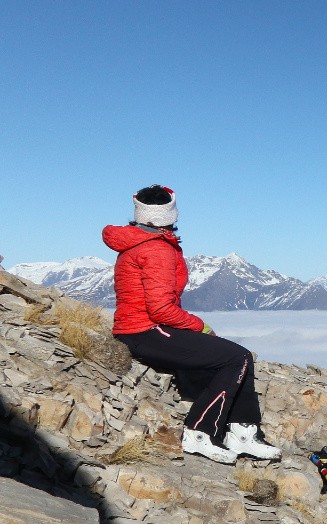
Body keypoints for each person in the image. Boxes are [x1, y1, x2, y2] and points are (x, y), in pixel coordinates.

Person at [103, 185, 281, 465]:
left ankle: (243, 434)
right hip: (146, 330)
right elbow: (160, 309)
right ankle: (199, 433)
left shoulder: (138, 242)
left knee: (233, 356)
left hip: (137, 328)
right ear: (170, 213)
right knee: (237, 357)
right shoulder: (157, 249)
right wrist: (201, 327)